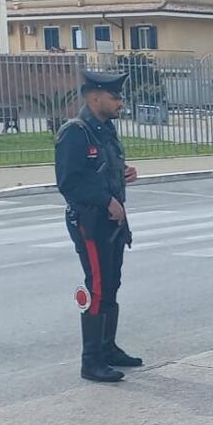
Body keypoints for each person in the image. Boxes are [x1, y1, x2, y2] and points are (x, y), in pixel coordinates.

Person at [55, 70, 140, 383]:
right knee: (99, 286)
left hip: (111, 222)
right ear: (94, 97)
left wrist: (125, 173)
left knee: (112, 282)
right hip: (90, 223)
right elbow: (69, 183)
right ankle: (91, 361)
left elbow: (101, 170)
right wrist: (106, 200)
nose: (120, 101)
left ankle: (107, 348)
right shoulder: (74, 132)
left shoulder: (105, 130)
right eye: (115, 96)